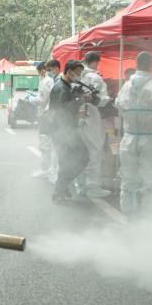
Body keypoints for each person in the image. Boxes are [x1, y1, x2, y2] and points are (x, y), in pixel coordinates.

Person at [115, 52, 152, 215]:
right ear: (151, 66)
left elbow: (119, 107)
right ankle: (149, 219)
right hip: (151, 139)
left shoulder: (125, 86)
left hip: (129, 138)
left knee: (128, 180)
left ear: (136, 65)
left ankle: (127, 216)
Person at [50, 60, 92, 203]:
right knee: (83, 157)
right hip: (64, 131)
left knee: (65, 161)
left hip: (61, 130)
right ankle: (59, 188)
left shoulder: (64, 86)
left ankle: (62, 189)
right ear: (69, 72)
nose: (79, 76)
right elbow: (64, 110)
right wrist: (81, 99)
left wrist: (78, 114)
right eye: (78, 73)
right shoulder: (61, 87)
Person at [78, 51, 111, 198]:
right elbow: (102, 100)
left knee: (80, 151)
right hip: (91, 115)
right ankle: (92, 186)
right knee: (95, 151)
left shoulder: (76, 76)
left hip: (76, 116)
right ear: (95, 62)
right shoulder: (95, 78)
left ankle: (80, 185)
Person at [33, 60, 60, 179]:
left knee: (45, 144)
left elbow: (43, 100)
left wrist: (33, 99)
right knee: (53, 145)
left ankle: (45, 169)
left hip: (45, 116)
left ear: (42, 70)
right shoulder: (52, 81)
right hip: (51, 116)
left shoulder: (46, 81)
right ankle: (51, 169)